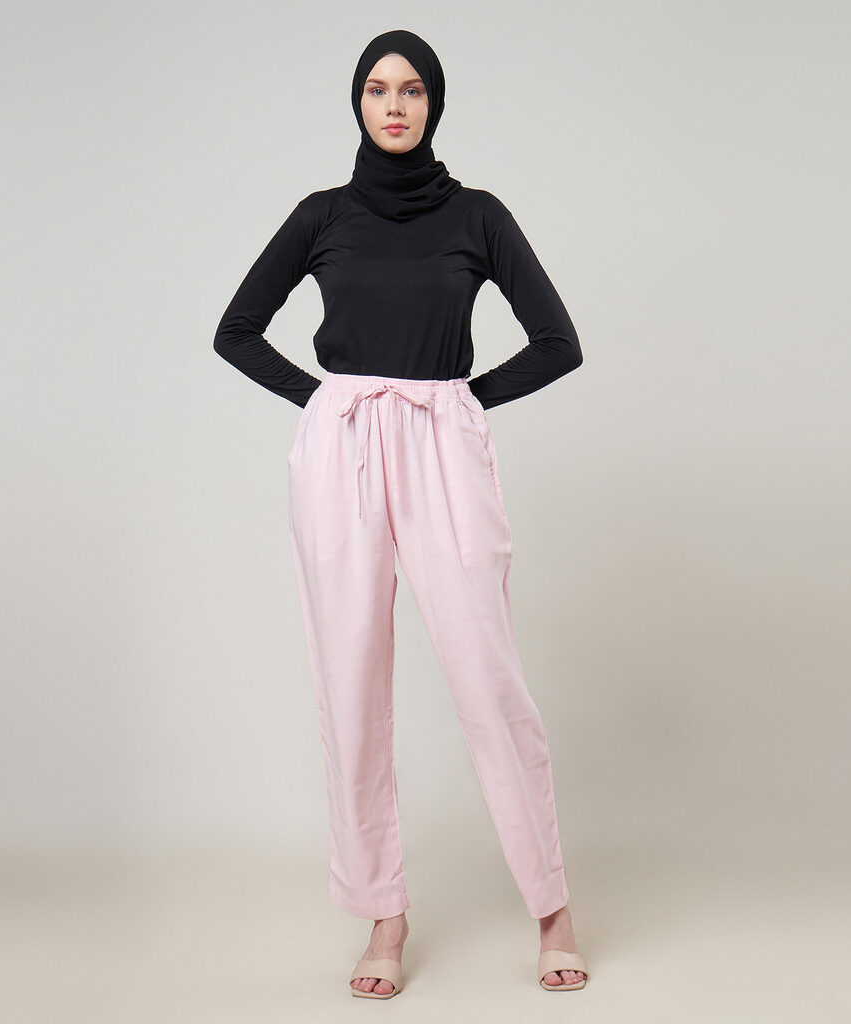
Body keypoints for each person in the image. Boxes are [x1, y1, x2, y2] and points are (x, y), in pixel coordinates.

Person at [213, 28, 588, 998]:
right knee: (349, 679)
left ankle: (551, 906)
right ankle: (384, 914)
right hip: (341, 445)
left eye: (412, 89)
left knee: (486, 674)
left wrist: (460, 403)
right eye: (378, 88)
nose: (394, 104)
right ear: (357, 101)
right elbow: (235, 331)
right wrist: (324, 402)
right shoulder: (321, 215)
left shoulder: (477, 214)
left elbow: (557, 341)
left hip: (441, 443)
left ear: (435, 103)